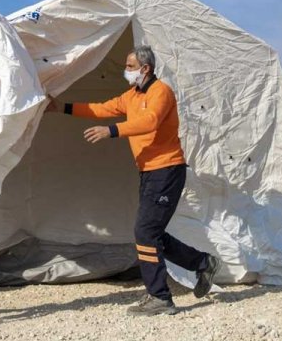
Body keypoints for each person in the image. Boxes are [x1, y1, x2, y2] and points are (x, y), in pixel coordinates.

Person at [46, 45, 220, 316]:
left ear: (145, 69)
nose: (125, 71)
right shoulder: (132, 96)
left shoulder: (160, 92)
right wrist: (62, 107)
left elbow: (150, 122)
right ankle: (201, 262)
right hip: (149, 172)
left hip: (167, 170)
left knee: (145, 232)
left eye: (129, 66)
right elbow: (101, 109)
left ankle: (160, 297)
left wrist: (112, 131)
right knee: (152, 233)